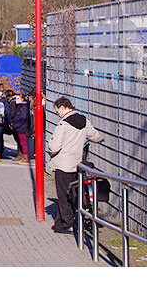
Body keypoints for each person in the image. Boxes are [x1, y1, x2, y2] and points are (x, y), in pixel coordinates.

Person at [47, 97, 103, 234]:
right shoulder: (84, 121)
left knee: (63, 195)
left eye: (57, 111)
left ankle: (67, 223)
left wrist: (50, 144)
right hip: (77, 164)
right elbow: (95, 136)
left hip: (63, 164)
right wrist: (100, 140)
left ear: (63, 107)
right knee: (73, 193)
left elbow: (54, 146)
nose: (58, 114)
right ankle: (66, 221)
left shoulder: (63, 124)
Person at [9, 93, 31, 163]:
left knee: (23, 143)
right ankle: (22, 155)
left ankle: (25, 157)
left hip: (22, 127)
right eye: (16, 98)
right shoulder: (20, 106)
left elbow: (22, 118)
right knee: (21, 142)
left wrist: (14, 125)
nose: (16, 100)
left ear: (22, 99)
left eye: (18, 98)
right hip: (19, 127)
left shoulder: (23, 107)